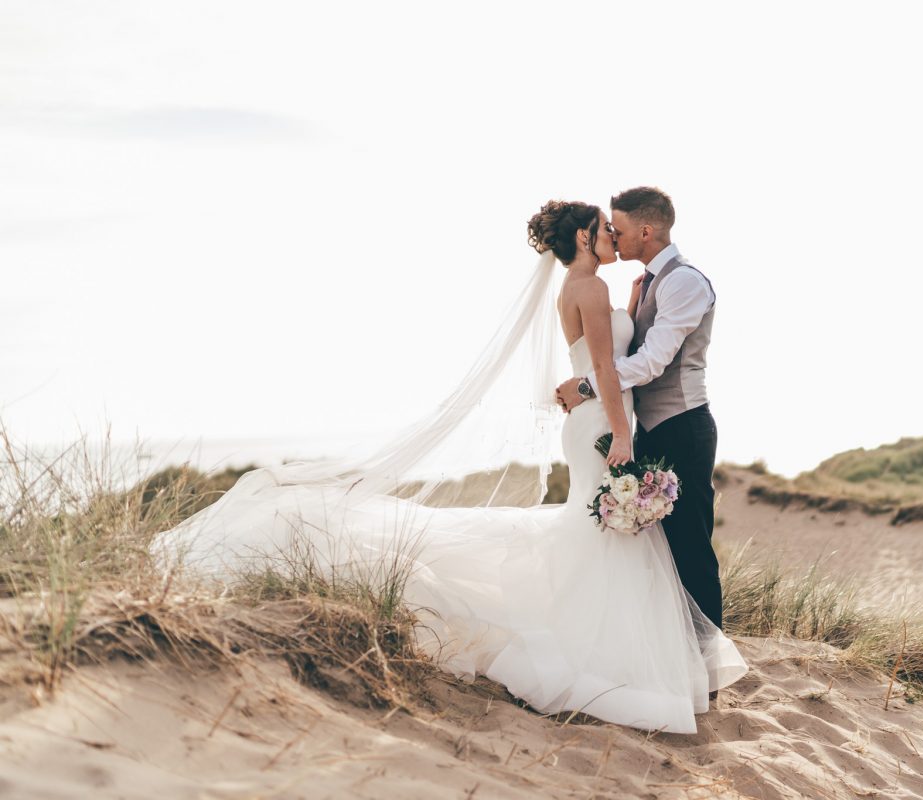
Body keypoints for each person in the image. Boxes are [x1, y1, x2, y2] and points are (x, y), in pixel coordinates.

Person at [153, 199, 746, 734]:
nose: (613, 236)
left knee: (613, 537)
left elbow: (623, 364)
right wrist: (619, 429)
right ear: (587, 239)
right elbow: (612, 370)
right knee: (608, 539)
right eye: (605, 229)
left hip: (613, 421)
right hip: (603, 427)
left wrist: (600, 400)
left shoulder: (605, 285)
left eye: (618, 228)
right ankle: (635, 660)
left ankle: (657, 657)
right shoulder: (590, 290)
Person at [556, 187, 724, 637]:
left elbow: (652, 362)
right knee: (656, 552)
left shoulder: (685, 282)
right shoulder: (646, 283)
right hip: (646, 427)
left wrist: (587, 386)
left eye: (620, 228)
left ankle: (707, 662)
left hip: (683, 426)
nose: (613, 233)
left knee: (690, 547)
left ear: (646, 231)